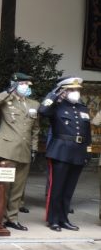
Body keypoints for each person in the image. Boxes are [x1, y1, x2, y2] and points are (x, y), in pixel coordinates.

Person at [0, 72, 39, 231]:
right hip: (7, 150)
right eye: (22, 84)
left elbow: (35, 129)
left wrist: (34, 148)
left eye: (27, 85)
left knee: (18, 189)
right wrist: (7, 91)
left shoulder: (34, 104)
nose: (26, 87)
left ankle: (12, 218)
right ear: (15, 85)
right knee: (4, 187)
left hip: (24, 150)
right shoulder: (6, 100)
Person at [39, 77, 89, 231]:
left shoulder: (82, 108)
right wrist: (54, 94)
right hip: (60, 151)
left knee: (68, 190)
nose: (76, 93)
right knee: (57, 188)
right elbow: (43, 110)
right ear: (64, 91)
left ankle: (64, 219)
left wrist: (87, 152)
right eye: (72, 90)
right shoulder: (56, 106)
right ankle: (53, 220)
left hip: (78, 151)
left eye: (77, 90)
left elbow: (87, 133)